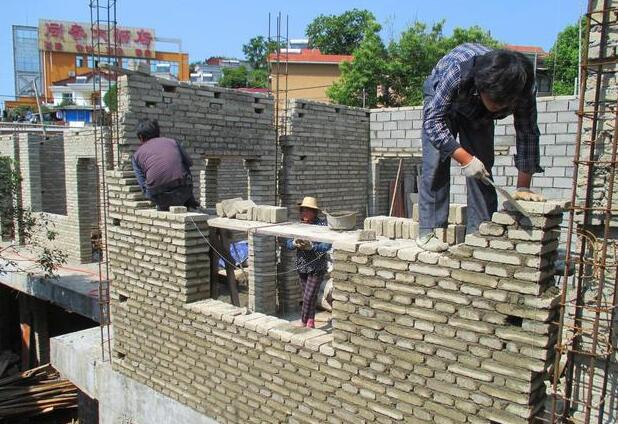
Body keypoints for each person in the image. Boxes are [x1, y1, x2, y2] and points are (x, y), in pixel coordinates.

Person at [417, 43, 545, 252]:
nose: (499, 107)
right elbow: (433, 122)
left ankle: (481, 232)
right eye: (494, 101)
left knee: (482, 168)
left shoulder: (524, 90)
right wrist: (465, 159)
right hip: (444, 100)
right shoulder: (458, 71)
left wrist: (523, 187)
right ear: (482, 86)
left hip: (476, 110)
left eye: (504, 104)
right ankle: (429, 231)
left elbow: (528, 133)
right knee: (436, 162)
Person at [132, 118, 199, 211]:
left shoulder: (136, 156)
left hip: (160, 198)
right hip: (183, 193)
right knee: (184, 164)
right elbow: (190, 162)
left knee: (146, 183)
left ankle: (161, 205)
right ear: (158, 133)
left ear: (141, 137)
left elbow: (142, 184)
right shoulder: (173, 142)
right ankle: (190, 202)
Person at [286, 197, 331, 328]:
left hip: (317, 267)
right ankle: (311, 321)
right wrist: (294, 243)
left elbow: (326, 245)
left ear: (314, 212)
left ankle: (303, 320)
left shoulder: (322, 225)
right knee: (308, 296)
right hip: (302, 265)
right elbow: (288, 244)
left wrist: (312, 246)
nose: (303, 214)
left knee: (308, 296)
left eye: (306, 211)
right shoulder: (299, 225)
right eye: (302, 211)